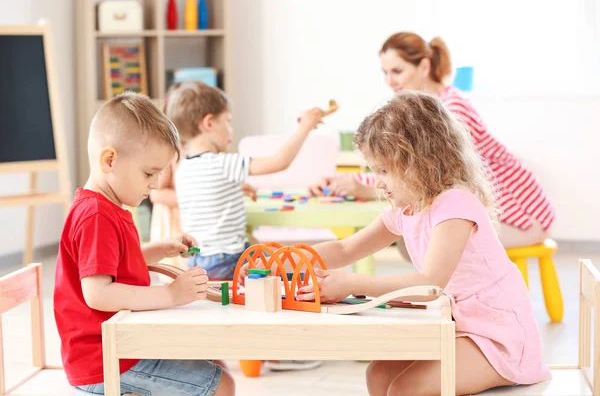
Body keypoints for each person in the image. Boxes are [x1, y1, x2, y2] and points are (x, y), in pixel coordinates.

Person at [245, 91, 551, 394]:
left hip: (497, 336)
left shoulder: (456, 203)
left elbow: (430, 282)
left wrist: (351, 283)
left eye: (383, 170)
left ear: (419, 162)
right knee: (378, 374)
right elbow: (344, 249)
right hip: (457, 325)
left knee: (405, 389)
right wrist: (284, 261)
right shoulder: (407, 208)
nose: (377, 181)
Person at [54, 92, 234, 395]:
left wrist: (159, 248)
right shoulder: (96, 215)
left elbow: (113, 263)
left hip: (123, 342)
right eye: (149, 173)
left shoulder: (108, 207)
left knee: (214, 360)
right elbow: (98, 293)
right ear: (109, 160)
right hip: (106, 358)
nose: (154, 184)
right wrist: (170, 294)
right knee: (222, 385)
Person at [311, 32, 555, 250]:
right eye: (385, 73)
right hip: (498, 210)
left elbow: (430, 175)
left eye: (397, 71)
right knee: (415, 234)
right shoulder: (420, 111)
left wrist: (364, 186)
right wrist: (347, 181)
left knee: (420, 235)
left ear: (424, 66)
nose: (389, 80)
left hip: (521, 215)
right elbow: (404, 166)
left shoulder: (449, 109)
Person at [165, 81, 323, 281]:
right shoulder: (222, 163)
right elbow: (278, 162)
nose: (230, 129)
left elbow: (206, 195)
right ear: (209, 123)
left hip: (198, 259)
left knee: (265, 253)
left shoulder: (184, 166)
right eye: (227, 121)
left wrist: (233, 187)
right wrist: (305, 127)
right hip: (228, 259)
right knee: (288, 269)